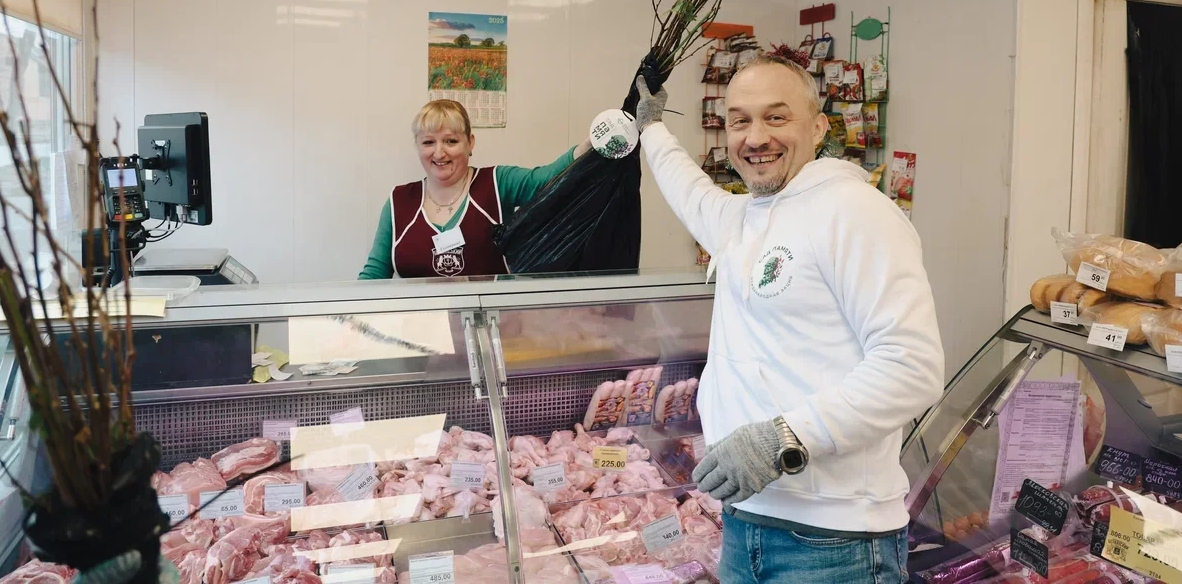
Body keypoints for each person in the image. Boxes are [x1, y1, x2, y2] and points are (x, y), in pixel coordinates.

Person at [634, 55, 944, 584]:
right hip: (744, 523)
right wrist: (653, 129)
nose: (755, 137)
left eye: (776, 117)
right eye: (740, 121)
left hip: (834, 544)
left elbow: (912, 368)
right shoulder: (746, 216)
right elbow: (691, 193)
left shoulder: (856, 212)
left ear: (818, 127)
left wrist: (782, 439)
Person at [359, 99, 590, 279]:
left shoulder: (498, 182)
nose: (439, 153)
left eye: (450, 141)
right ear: (418, 146)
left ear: (470, 143)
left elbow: (548, 179)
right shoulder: (398, 201)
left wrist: (593, 144)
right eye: (428, 142)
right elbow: (374, 274)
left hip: (493, 323)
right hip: (420, 324)